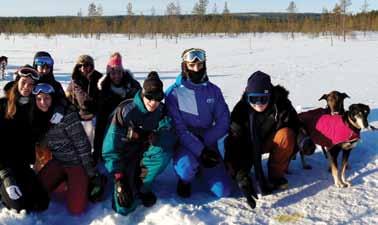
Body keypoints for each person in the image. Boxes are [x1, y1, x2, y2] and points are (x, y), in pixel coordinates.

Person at [224, 71, 314, 209]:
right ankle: (246, 177)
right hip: (248, 146)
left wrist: (303, 140)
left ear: (270, 95)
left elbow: (295, 124)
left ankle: (275, 175)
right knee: (237, 173)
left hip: (271, 141)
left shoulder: (281, 104)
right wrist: (241, 175)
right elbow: (233, 144)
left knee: (286, 134)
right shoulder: (240, 110)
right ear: (247, 96)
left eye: (263, 98)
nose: (259, 104)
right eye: (254, 99)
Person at [102, 72, 176, 215]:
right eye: (149, 97)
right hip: (124, 158)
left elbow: (169, 136)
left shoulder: (161, 110)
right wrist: (119, 179)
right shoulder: (125, 111)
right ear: (143, 93)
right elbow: (109, 150)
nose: (153, 102)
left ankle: (143, 187)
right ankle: (129, 186)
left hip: (144, 155)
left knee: (162, 152)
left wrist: (156, 136)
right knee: (124, 208)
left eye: (158, 98)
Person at [165, 48, 232, 199]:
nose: (196, 69)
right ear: (184, 66)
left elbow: (224, 120)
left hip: (208, 140)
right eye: (192, 65)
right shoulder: (174, 93)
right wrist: (200, 149)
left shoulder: (214, 91)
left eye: (200, 65)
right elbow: (179, 129)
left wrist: (206, 142)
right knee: (187, 169)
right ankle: (185, 181)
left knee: (224, 191)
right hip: (186, 143)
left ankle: (202, 168)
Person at [32, 83, 106, 214]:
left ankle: (89, 182)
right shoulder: (38, 116)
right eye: (39, 98)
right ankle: (65, 181)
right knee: (36, 191)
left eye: (47, 98)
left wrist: (90, 172)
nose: (43, 102)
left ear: (53, 98)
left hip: (76, 163)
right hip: (58, 161)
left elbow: (82, 145)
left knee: (76, 209)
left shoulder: (66, 114)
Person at [0, 66, 49, 212]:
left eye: (31, 84)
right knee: (20, 206)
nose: (27, 87)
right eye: (24, 82)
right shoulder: (2, 105)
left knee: (41, 203)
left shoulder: (33, 108)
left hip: (21, 166)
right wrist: (5, 174)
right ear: (16, 82)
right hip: (3, 167)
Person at [93, 52, 141, 163]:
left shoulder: (133, 86)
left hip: (130, 124)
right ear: (109, 74)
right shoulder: (103, 89)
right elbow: (100, 122)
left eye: (119, 72)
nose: (116, 76)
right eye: (113, 73)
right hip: (109, 125)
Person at [66, 55, 103, 147]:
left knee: (95, 144)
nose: (83, 68)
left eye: (86, 65)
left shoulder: (100, 79)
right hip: (80, 118)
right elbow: (67, 97)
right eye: (80, 66)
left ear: (91, 66)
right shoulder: (74, 81)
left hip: (95, 117)